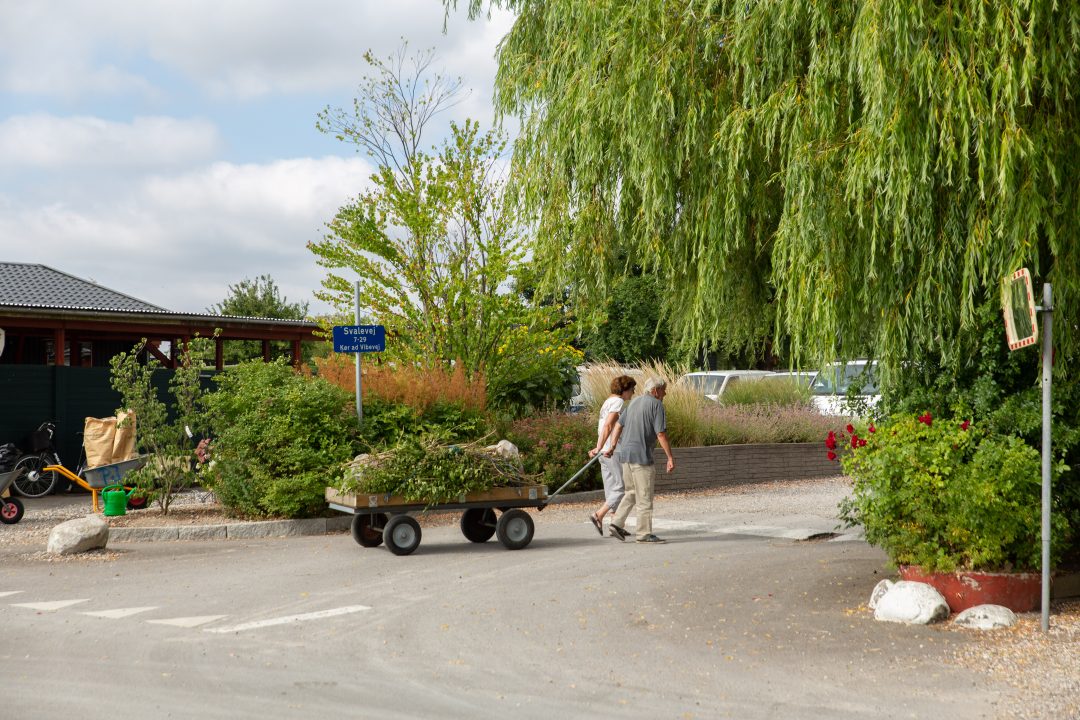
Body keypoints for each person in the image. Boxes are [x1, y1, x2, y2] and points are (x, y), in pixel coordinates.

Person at [603, 376, 675, 543]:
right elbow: (661, 434)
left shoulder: (633, 402)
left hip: (626, 456)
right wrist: (670, 457)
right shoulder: (657, 405)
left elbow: (619, 425)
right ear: (656, 391)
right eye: (663, 390)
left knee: (631, 492)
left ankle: (616, 523)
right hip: (642, 458)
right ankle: (644, 534)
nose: (665, 393)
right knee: (644, 496)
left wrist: (613, 446)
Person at [587, 375, 637, 535]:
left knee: (611, 487)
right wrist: (599, 446)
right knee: (622, 486)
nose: (633, 393)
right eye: (632, 389)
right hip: (612, 451)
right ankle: (598, 515)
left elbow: (603, 426)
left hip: (604, 452)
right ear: (624, 389)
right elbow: (608, 425)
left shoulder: (607, 401)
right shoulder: (618, 402)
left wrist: (598, 448)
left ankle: (616, 523)